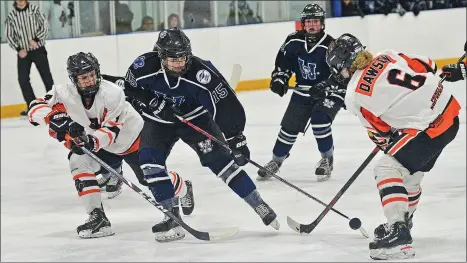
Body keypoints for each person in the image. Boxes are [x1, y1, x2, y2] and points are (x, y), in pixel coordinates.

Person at [123, 28, 280, 242]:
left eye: (182, 58)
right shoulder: (144, 66)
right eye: (173, 59)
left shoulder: (201, 72)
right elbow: (130, 88)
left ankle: (258, 204)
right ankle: (171, 215)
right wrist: (153, 103)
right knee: (149, 164)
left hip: (196, 120)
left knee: (224, 164)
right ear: (161, 57)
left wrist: (236, 138)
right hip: (159, 121)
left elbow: (225, 104)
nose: (179, 63)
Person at [27, 52, 195, 239]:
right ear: (74, 79)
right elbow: (34, 108)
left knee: (149, 179)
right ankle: (97, 217)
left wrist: (89, 141)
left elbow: (110, 131)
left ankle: (181, 190)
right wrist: (53, 118)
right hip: (102, 147)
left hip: (133, 139)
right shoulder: (63, 92)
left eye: (92, 75)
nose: (90, 80)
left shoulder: (113, 93)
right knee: (77, 160)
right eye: (84, 77)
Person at [326, 33, 461, 260]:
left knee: (387, 169)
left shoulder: (354, 95)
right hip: (449, 113)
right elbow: (430, 66)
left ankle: (399, 234)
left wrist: (393, 138)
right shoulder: (386, 55)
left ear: (342, 66)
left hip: (428, 128)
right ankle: (404, 220)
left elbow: (381, 134)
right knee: (410, 171)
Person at [257, 4, 344, 182]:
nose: (312, 26)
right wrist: (280, 79)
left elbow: (342, 75)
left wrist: (327, 86)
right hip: (303, 91)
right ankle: (276, 161)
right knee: (288, 129)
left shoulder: (331, 45)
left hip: (328, 93)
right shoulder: (293, 41)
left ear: (322, 24)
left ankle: (327, 159)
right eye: (309, 22)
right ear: (303, 24)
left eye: (316, 22)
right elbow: (283, 64)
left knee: (320, 123)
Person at [5, 0, 54, 116]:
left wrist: (36, 39)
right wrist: (18, 49)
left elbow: (45, 26)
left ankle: (54, 103)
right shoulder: (12, 16)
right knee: (23, 79)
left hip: (38, 49)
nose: (21, 2)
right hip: (23, 53)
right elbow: (9, 35)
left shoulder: (35, 10)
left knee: (46, 77)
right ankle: (32, 106)